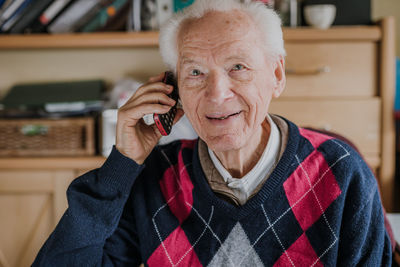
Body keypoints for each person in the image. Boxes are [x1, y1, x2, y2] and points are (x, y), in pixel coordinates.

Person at [33, 0, 392, 266]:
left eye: (238, 66)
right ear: (172, 89)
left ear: (277, 76)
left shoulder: (343, 173)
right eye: (195, 73)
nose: (216, 94)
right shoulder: (156, 178)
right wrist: (123, 164)